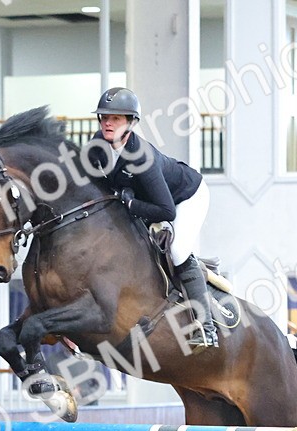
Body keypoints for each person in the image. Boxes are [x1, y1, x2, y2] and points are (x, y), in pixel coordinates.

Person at [86, 87, 218, 351]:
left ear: (131, 123)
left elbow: (166, 211)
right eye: (104, 118)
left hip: (186, 197)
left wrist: (131, 203)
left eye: (116, 118)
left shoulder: (141, 158)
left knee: (179, 251)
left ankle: (206, 328)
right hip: (150, 201)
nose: (107, 123)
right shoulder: (96, 146)